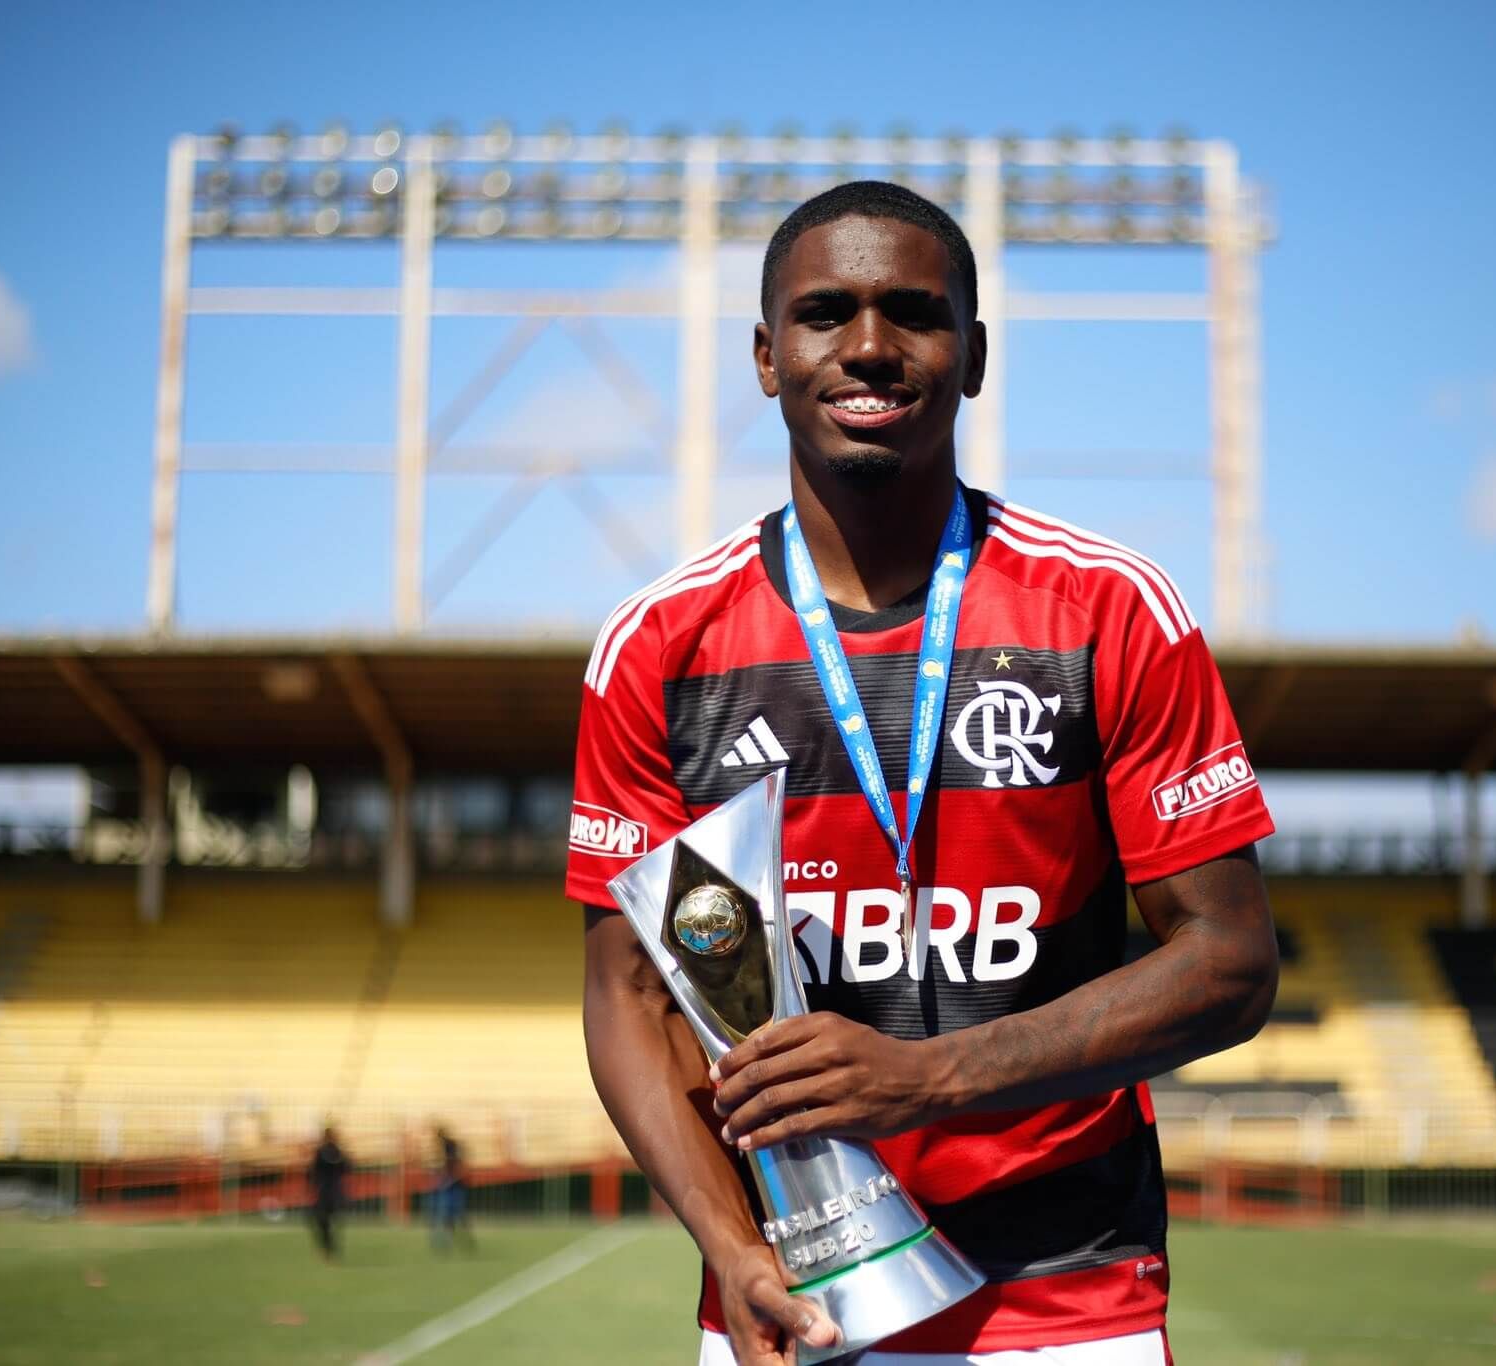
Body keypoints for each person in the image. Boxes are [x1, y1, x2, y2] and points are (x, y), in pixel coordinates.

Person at [574, 180, 1279, 1366]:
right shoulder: (660, 645)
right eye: (823, 314)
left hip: (1067, 1296)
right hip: (794, 1295)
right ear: (764, 355)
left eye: (911, 311)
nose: (866, 346)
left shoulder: (1106, 609)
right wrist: (734, 1250)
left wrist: (927, 1077)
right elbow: (632, 1001)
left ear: (974, 356)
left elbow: (1229, 961)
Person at [428, 1122, 474, 1252]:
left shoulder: (451, 1146)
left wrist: (451, 1179)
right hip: (449, 1184)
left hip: (455, 1185)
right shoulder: (444, 1148)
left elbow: (458, 1166)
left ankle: (465, 1239)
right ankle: (451, 1241)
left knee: (458, 1213)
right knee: (448, 1213)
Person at [307, 1124, 350, 1262]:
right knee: (323, 1221)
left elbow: (347, 1167)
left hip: (331, 1191)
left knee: (325, 1221)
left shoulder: (335, 1152)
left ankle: (328, 1248)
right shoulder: (324, 1152)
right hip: (328, 1191)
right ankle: (328, 1248)